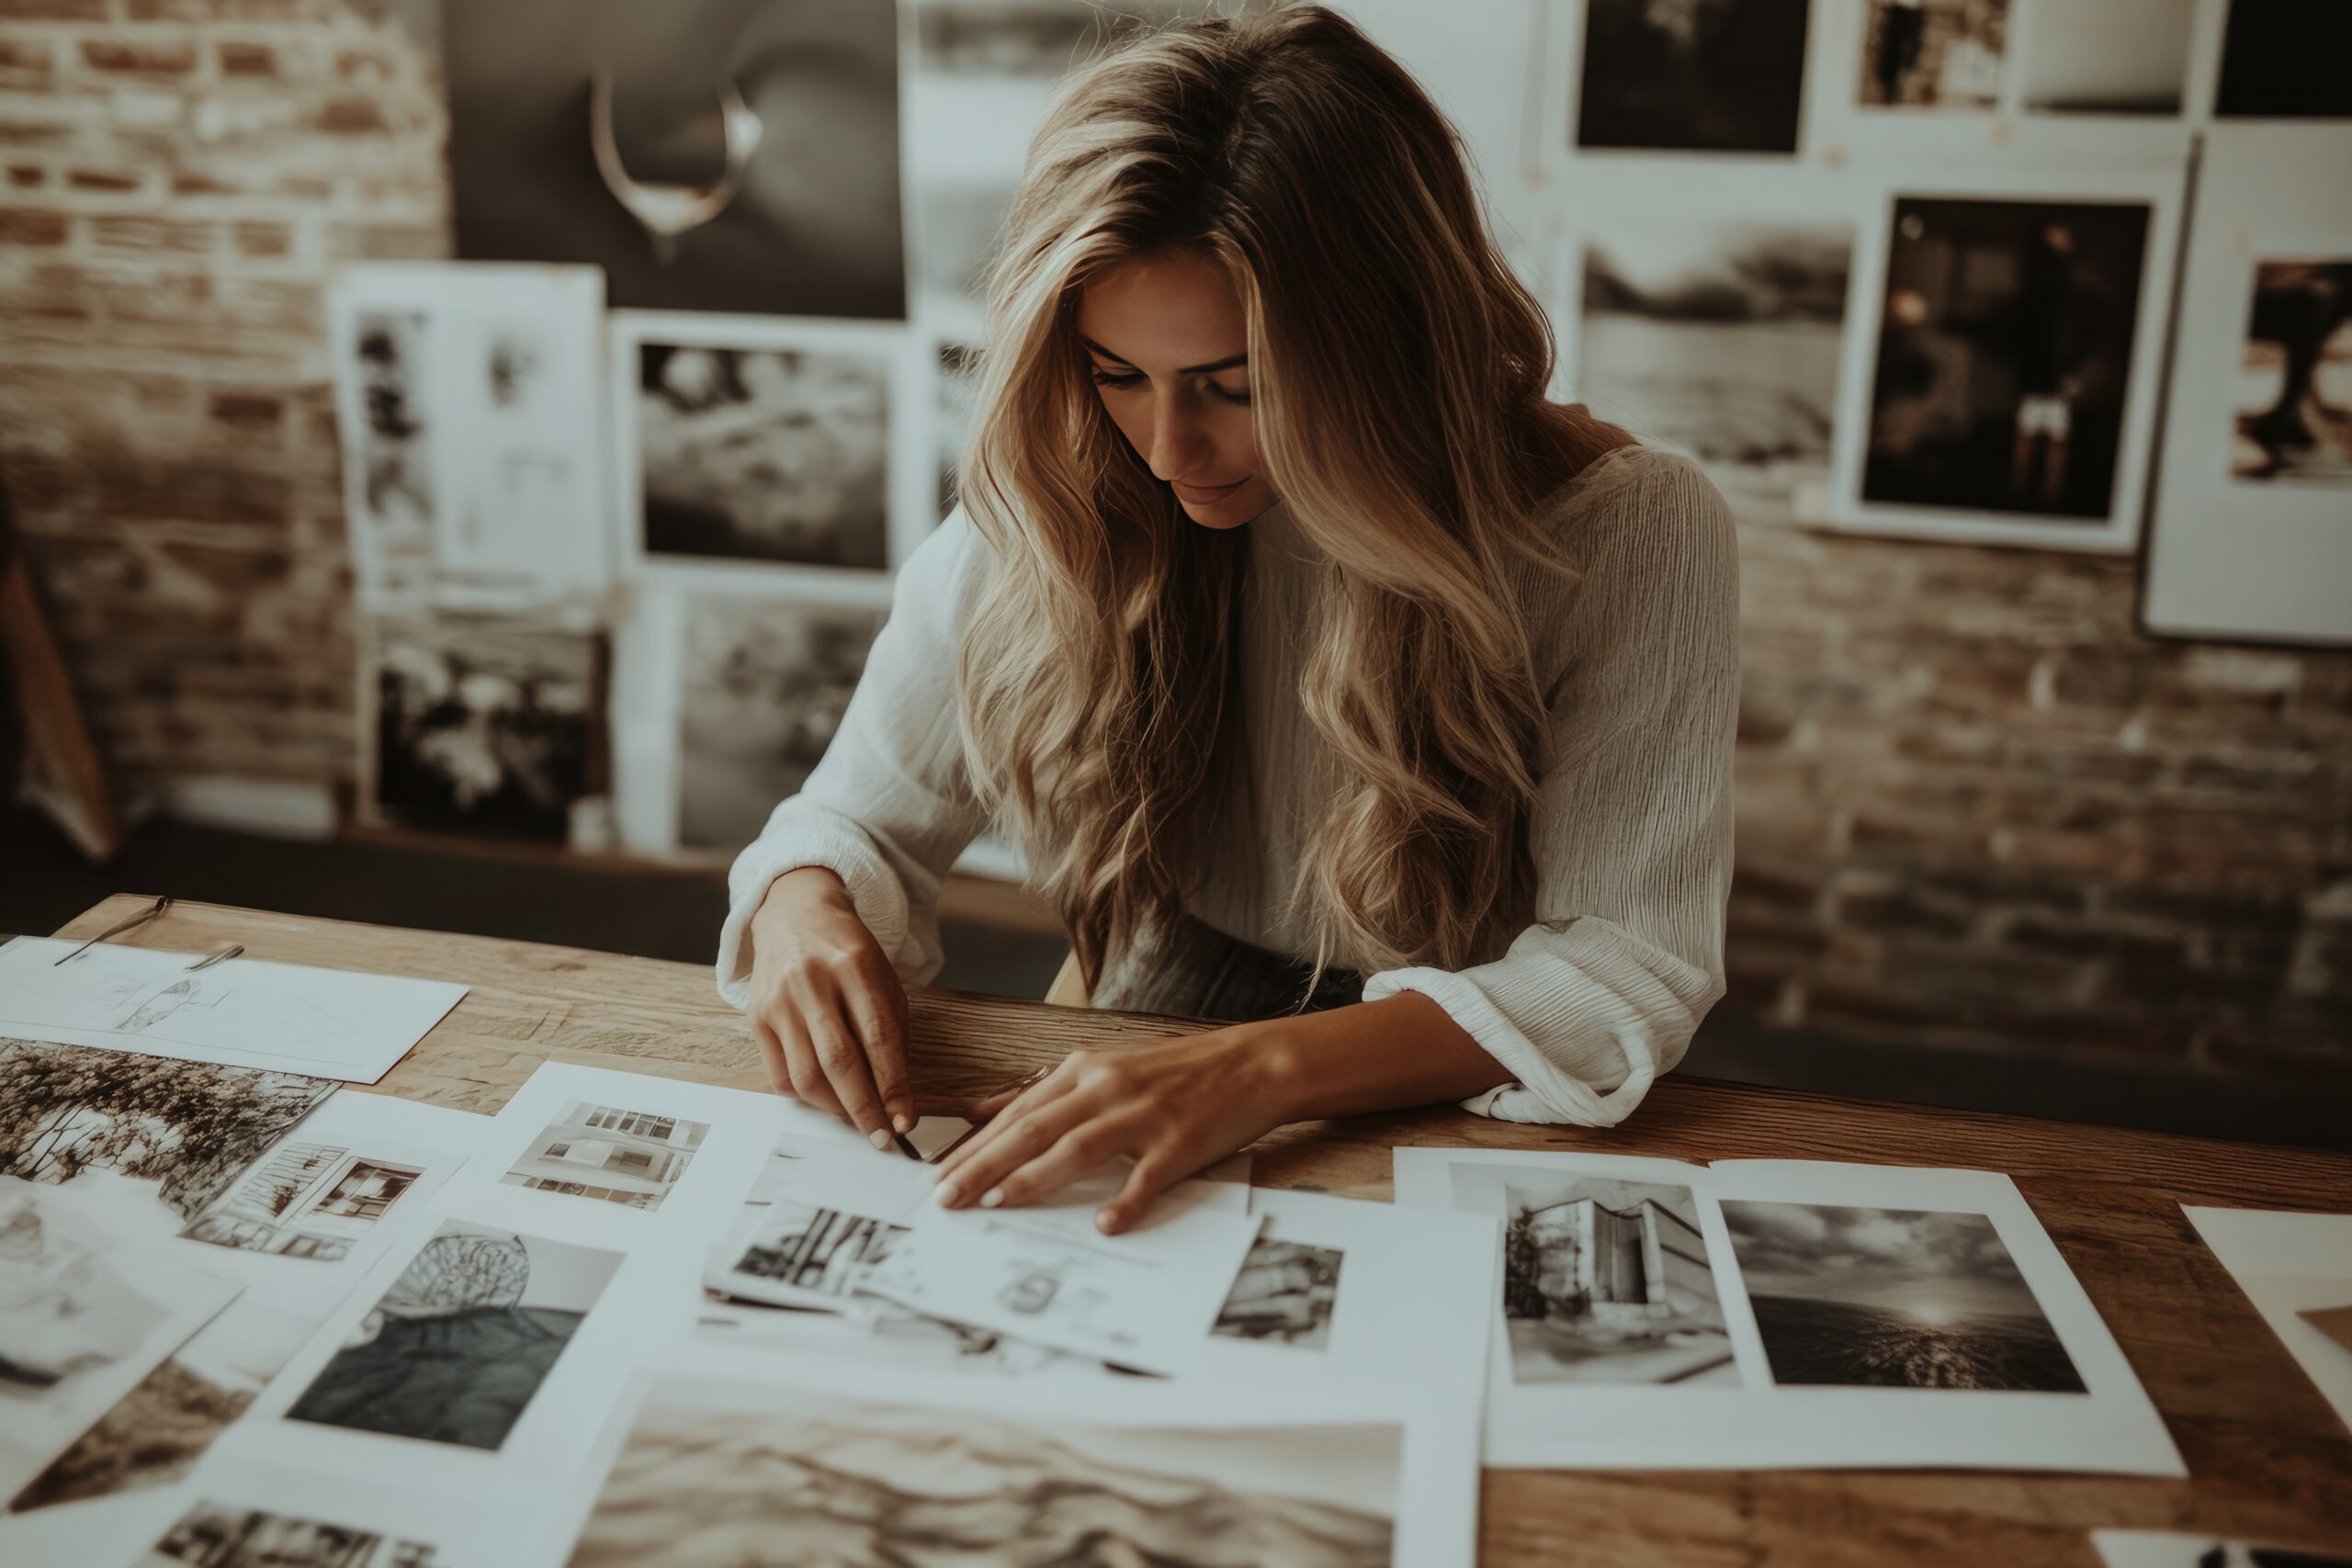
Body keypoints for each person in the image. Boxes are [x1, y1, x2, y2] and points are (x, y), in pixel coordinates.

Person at [716, 6, 1739, 1234]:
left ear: (1386, 344)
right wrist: (802, 907)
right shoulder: (1072, 485)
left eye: (1235, 386)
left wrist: (1258, 1067)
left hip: (1468, 1065)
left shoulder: (1625, 527)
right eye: (1115, 371)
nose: (1164, 449)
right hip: (1160, 1006)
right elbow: (844, 822)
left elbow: (1628, 965)